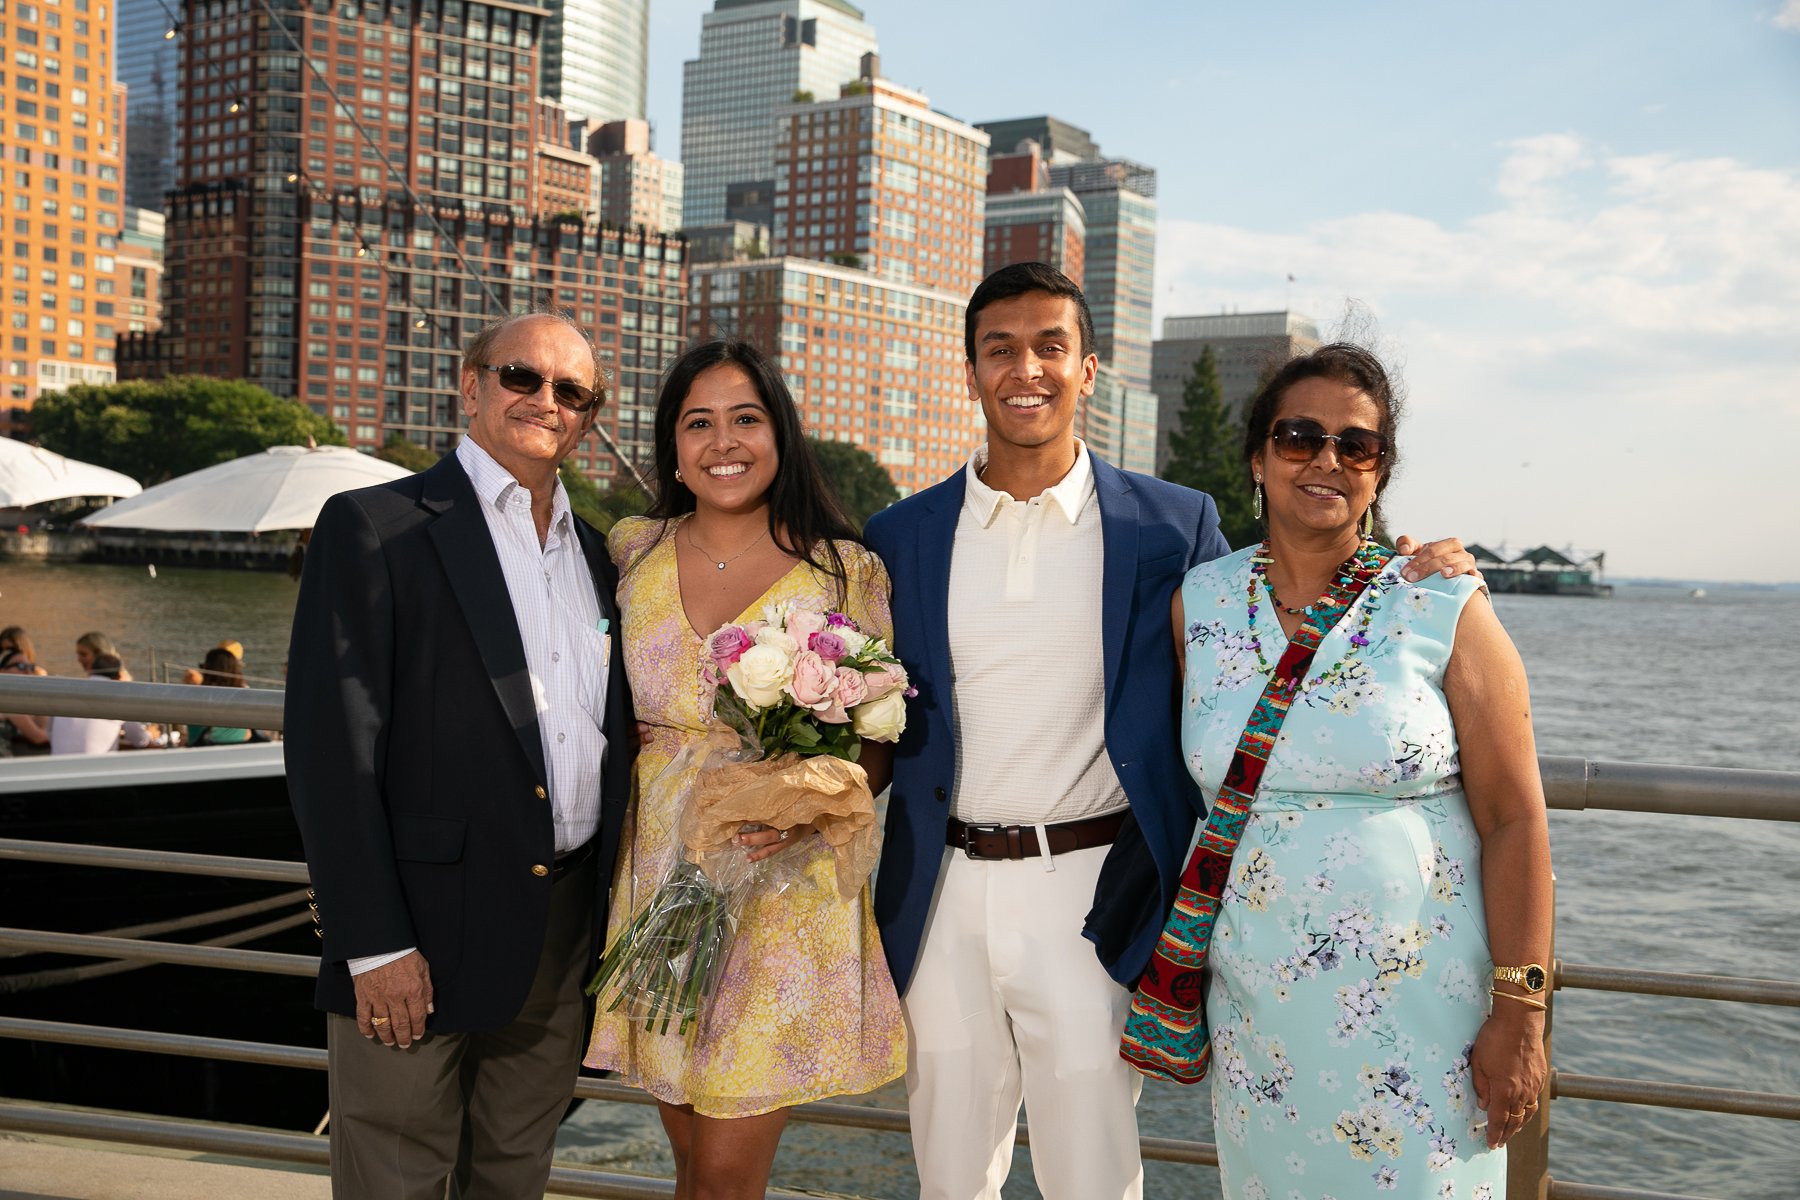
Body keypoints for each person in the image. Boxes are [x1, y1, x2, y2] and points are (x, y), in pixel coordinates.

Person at [862, 263, 1475, 1200]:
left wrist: (1404, 566)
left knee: (1094, 1174)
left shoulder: (1171, 523)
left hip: (1095, 889)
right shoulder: (898, 533)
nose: (1026, 368)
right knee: (947, 1170)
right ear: (972, 369)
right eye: (1001, 349)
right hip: (937, 886)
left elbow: (1281, 626)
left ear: (1089, 368)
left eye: (1050, 346)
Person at [1152, 344, 1551, 1197]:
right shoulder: (1201, 603)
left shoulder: (1442, 600)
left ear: (1380, 473)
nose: (1326, 459)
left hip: (1425, 1015)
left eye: (1356, 445)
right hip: (1260, 1011)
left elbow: (1516, 817)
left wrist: (1520, 1010)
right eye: (1299, 437)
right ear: (1258, 458)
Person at [285, 309, 636, 1200]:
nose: (545, 400)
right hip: (419, 933)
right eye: (523, 377)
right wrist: (373, 945)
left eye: (572, 391)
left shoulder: (601, 558)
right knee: (396, 1179)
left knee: (512, 1178)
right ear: (472, 385)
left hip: (562, 934)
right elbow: (332, 754)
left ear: (590, 417)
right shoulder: (377, 527)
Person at [583, 340, 906, 1199]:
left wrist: (804, 802)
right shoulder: (629, 553)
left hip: (779, 883)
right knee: (690, 1157)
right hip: (658, 879)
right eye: (699, 423)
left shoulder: (846, 570)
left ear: (780, 434)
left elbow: (879, 736)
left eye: (745, 418)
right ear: (675, 449)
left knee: (727, 1174)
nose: (723, 441)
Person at [48, 653, 151, 755]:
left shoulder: (65, 693)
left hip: (57, 767)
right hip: (97, 769)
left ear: (90, 672)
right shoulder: (119, 699)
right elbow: (140, 740)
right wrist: (151, 733)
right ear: (119, 677)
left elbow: (50, 733)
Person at [186, 647, 255, 746]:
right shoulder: (244, 696)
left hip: (200, 749)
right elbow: (247, 734)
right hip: (237, 748)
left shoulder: (192, 697)